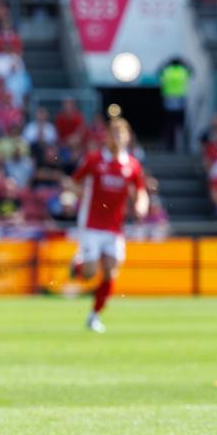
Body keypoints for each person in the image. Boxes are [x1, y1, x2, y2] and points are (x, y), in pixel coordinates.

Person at [67, 117, 149, 332]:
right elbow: (73, 181)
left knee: (111, 271)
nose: (118, 138)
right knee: (89, 273)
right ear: (107, 137)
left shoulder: (131, 165)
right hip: (91, 223)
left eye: (122, 134)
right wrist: (76, 195)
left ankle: (94, 316)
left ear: (128, 138)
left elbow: (140, 190)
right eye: (114, 134)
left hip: (114, 227)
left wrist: (141, 204)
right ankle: (77, 264)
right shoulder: (94, 160)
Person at [159, 57, 191, 151]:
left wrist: (165, 64)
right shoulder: (183, 71)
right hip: (181, 101)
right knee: (181, 126)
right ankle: (184, 147)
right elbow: (192, 71)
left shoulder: (167, 71)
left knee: (169, 126)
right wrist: (185, 63)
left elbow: (158, 72)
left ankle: (170, 146)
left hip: (169, 101)